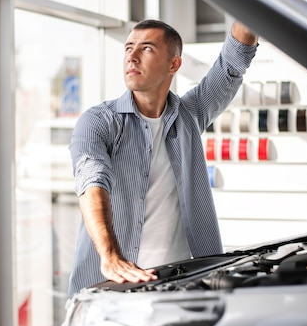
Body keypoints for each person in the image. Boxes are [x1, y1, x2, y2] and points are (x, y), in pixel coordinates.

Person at [67, 18, 258, 296]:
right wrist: (110, 256)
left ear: (173, 65)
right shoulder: (98, 121)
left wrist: (251, 3)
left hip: (187, 283)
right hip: (115, 286)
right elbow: (91, 180)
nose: (131, 57)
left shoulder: (190, 114)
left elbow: (231, 65)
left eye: (146, 49)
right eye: (128, 47)